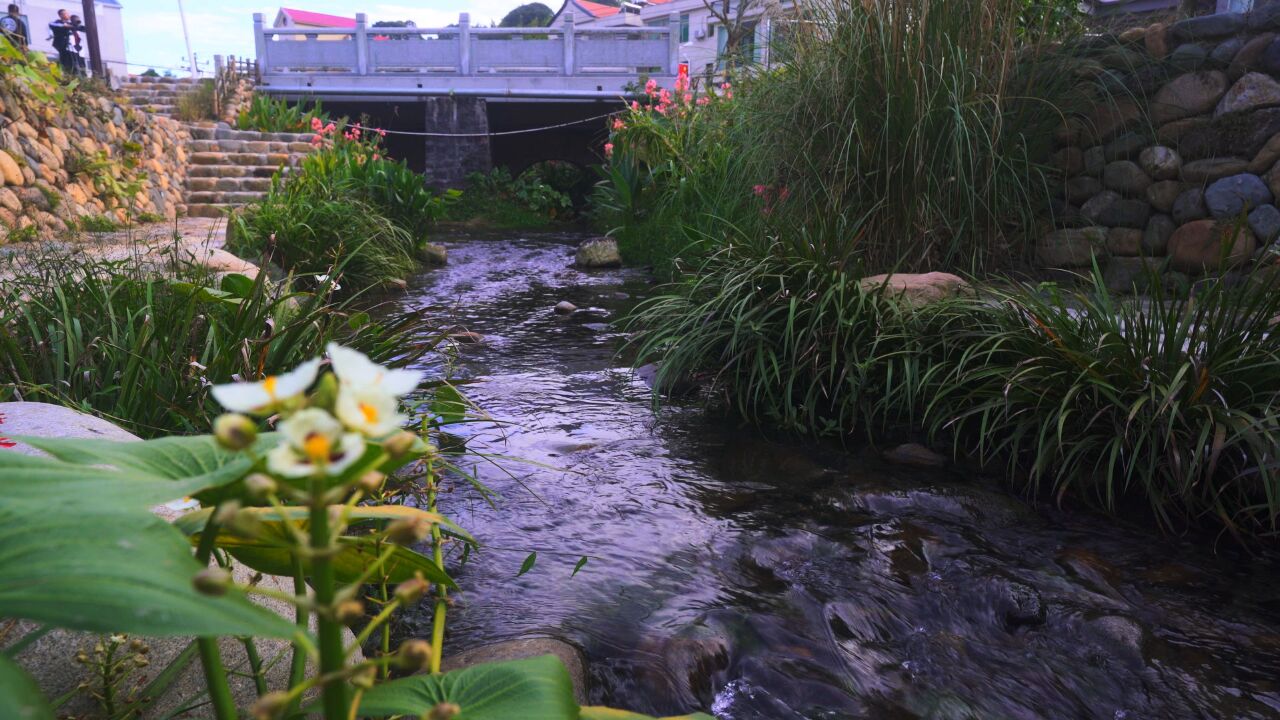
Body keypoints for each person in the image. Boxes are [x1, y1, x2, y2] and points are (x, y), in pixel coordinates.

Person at [48, 9, 76, 75]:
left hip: (72, 47)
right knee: (64, 61)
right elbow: (51, 24)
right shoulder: (57, 23)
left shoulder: (71, 24)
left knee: (72, 62)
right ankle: (65, 73)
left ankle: (72, 74)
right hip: (62, 45)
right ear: (61, 15)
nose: (68, 15)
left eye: (67, 13)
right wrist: (64, 25)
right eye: (65, 13)